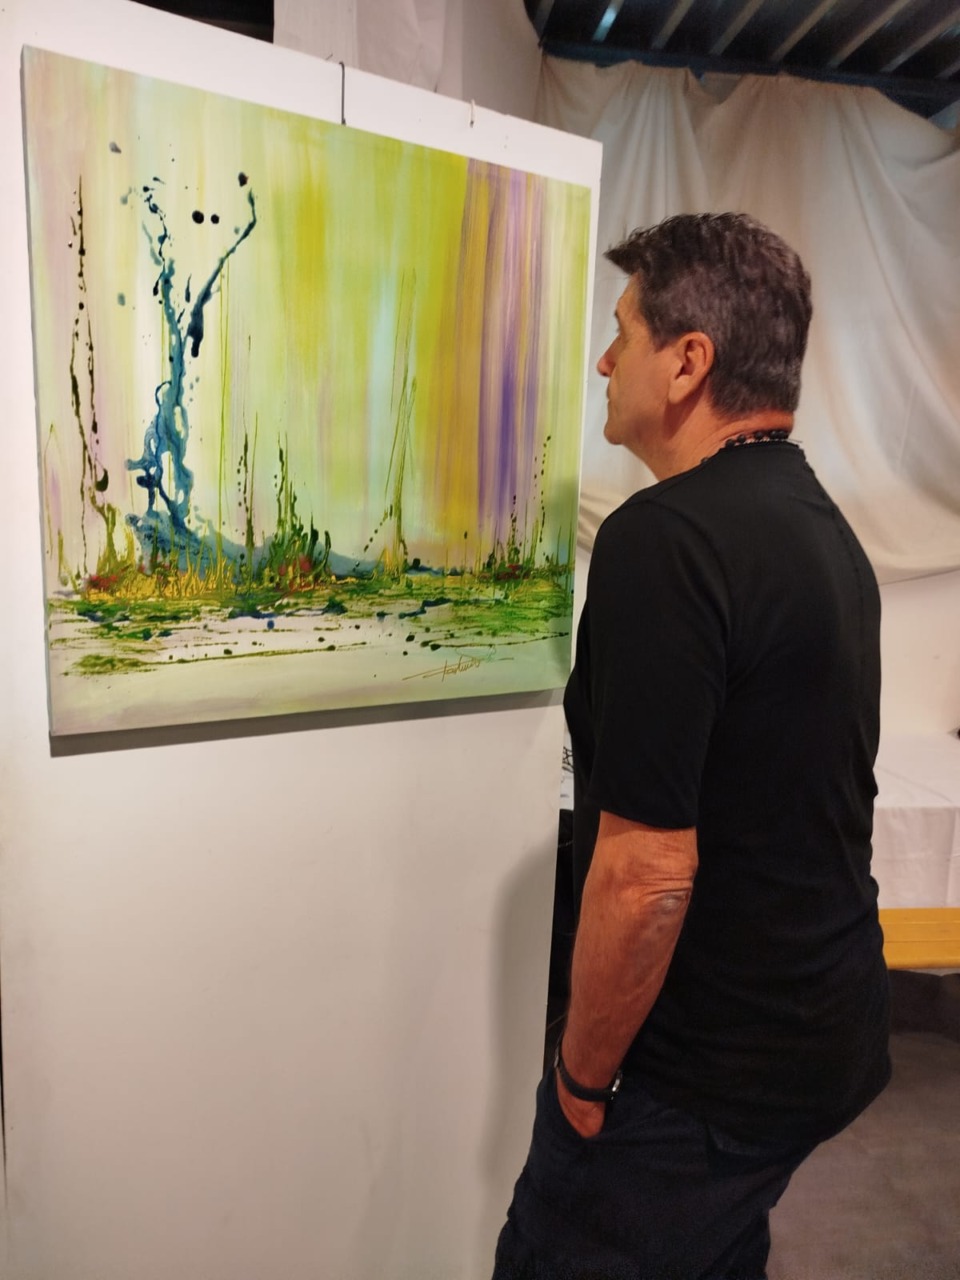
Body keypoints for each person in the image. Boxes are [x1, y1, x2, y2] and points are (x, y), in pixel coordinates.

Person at [492, 212, 890, 1280]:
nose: (603, 359)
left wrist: (580, 1080)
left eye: (623, 331)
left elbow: (648, 874)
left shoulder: (663, 542)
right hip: (825, 1027)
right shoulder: (821, 528)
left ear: (687, 361)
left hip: (707, 1071)